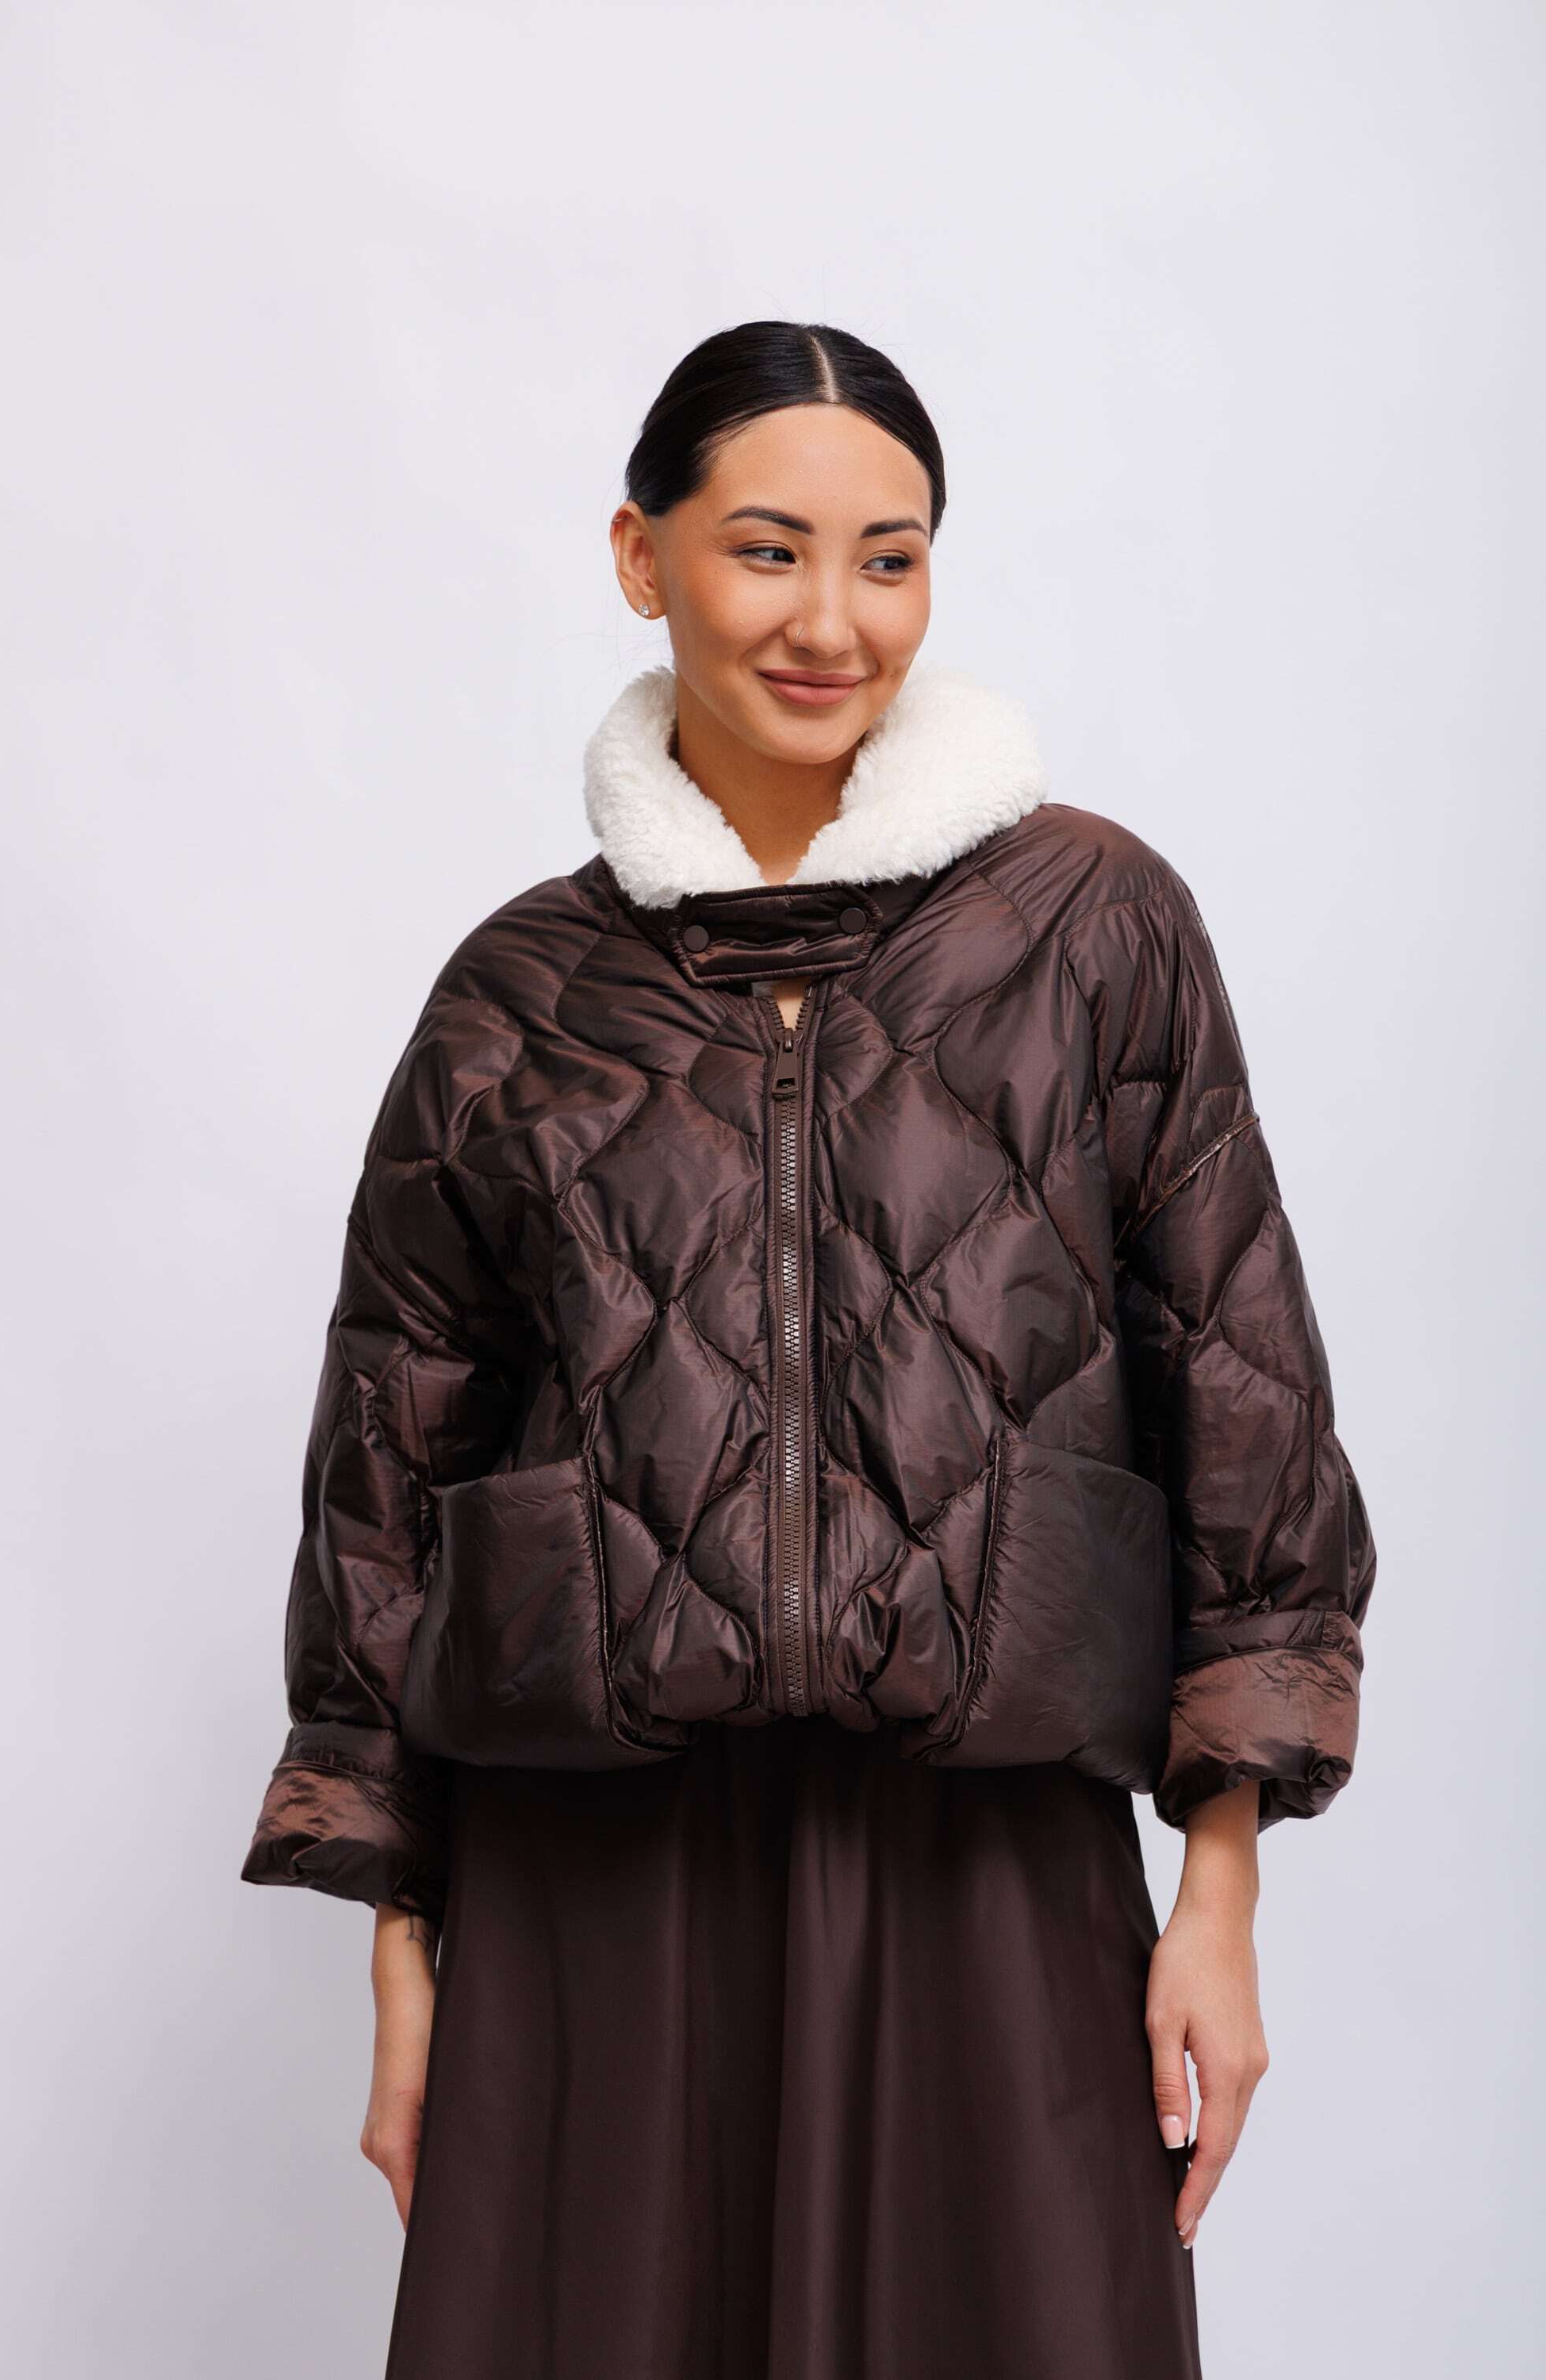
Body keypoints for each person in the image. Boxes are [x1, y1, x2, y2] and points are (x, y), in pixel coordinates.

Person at [241, 320, 1376, 2380]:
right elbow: (385, 1477)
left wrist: (1217, 1900)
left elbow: (1242, 1393)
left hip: (987, 1868)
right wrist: (407, 1966)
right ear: (641, 556)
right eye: (767, 549)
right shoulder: (518, 999)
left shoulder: (1093, 927)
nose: (832, 622)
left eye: (892, 557)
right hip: (597, 1890)